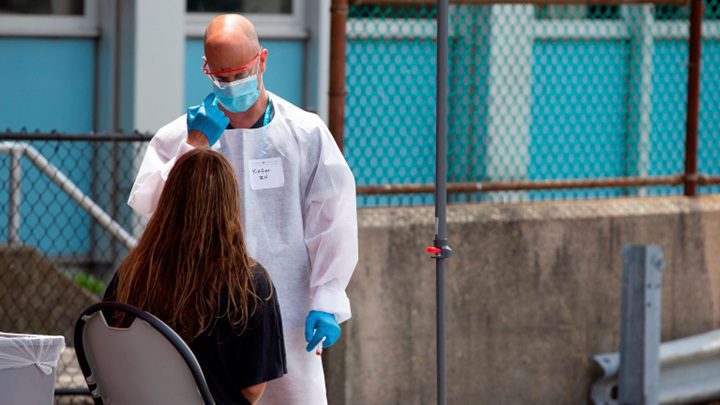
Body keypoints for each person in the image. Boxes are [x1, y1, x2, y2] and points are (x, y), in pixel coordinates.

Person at [127, 14, 358, 404]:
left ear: (262, 60)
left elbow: (332, 221)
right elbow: (151, 206)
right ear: (206, 70)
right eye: (222, 76)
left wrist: (328, 298)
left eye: (240, 73)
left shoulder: (304, 133)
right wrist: (195, 145)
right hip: (206, 319)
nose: (232, 85)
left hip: (289, 313)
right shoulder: (179, 137)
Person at [105, 148, 287, 405]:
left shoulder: (133, 272)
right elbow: (253, 388)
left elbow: (109, 354)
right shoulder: (252, 284)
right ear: (229, 205)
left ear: (169, 199)